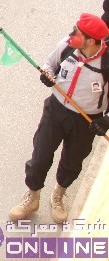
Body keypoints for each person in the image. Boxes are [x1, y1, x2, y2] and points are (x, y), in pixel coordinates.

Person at [9, 14, 109, 224]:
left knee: (72, 163)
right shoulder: (67, 46)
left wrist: (106, 119)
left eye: (78, 33)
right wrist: (47, 74)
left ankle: (59, 194)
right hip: (55, 110)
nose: (72, 35)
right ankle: (33, 196)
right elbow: (49, 64)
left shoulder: (107, 64)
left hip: (86, 121)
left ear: (91, 41)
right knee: (40, 156)